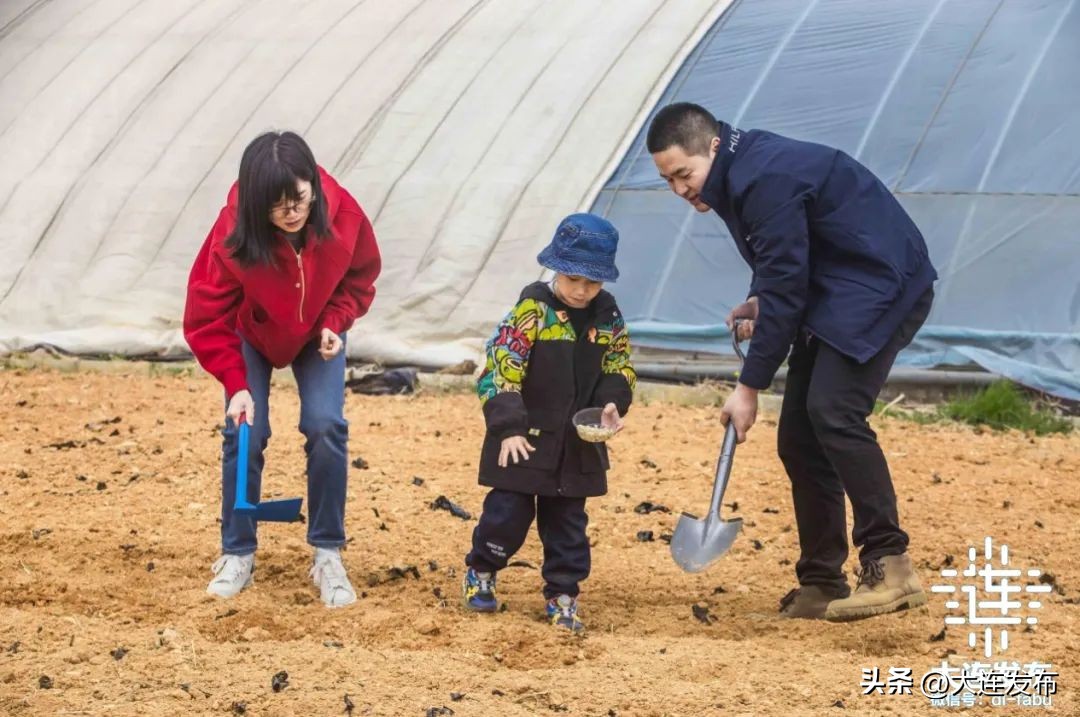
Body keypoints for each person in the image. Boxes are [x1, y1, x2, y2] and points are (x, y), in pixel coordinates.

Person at [647, 103, 936, 621]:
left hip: (878, 286)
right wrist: (760, 298)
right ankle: (822, 581)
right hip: (835, 290)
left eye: (683, 174)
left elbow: (786, 284)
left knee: (834, 412)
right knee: (800, 439)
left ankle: (890, 564)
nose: (679, 190)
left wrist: (749, 385)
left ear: (711, 145)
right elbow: (781, 261)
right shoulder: (737, 175)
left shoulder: (764, 177)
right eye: (668, 180)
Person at [184, 131, 381, 607]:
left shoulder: (345, 216)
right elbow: (206, 314)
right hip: (249, 333)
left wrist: (335, 323)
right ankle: (238, 552)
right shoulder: (233, 232)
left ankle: (327, 552)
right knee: (245, 429)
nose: (291, 211)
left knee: (326, 424)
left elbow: (359, 277)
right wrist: (235, 384)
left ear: (312, 183)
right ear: (255, 204)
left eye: (299, 197)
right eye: (277, 205)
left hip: (318, 333)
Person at [462, 213, 636, 632]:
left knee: (568, 525)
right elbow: (500, 370)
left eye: (592, 282)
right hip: (524, 440)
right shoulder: (533, 310)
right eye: (573, 278)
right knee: (506, 514)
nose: (581, 290)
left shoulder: (608, 318)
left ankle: (563, 594)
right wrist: (509, 427)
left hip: (577, 445)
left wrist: (611, 403)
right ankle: (482, 569)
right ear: (556, 268)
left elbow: (621, 367)